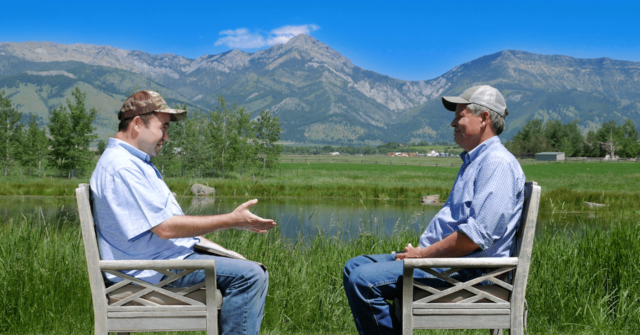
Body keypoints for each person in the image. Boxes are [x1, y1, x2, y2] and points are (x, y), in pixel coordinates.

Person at [342, 85, 526, 335]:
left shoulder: (496, 163)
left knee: (362, 282)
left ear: (483, 119)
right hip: (449, 264)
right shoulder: (477, 160)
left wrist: (423, 255)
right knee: (354, 266)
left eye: (460, 115)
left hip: (467, 272)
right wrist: (422, 253)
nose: (453, 122)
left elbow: (474, 238)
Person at [90, 90, 276, 335]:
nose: (166, 137)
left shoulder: (133, 163)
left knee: (245, 265)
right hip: (152, 272)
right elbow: (166, 228)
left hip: (160, 262)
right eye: (163, 128)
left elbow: (168, 228)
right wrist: (231, 220)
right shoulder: (123, 167)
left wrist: (218, 249)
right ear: (137, 123)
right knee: (250, 276)